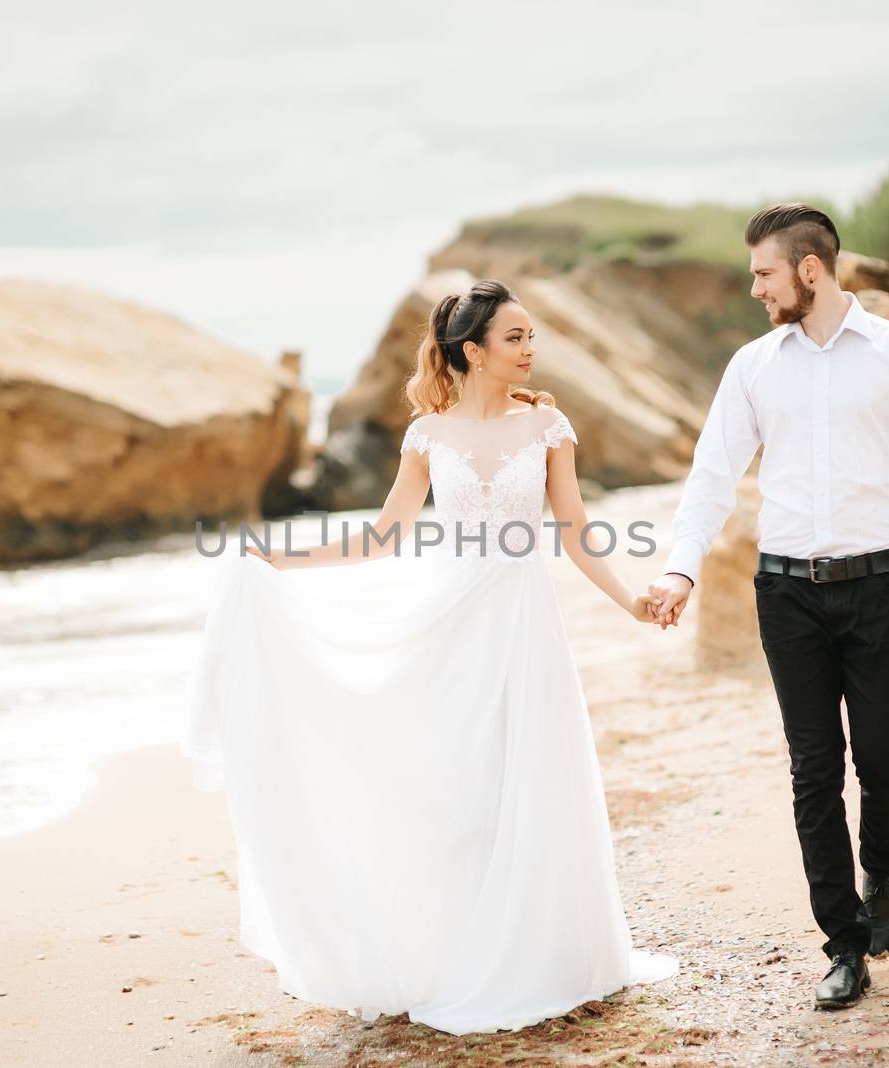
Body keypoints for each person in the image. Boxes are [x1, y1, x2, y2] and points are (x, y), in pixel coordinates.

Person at [181, 278, 679, 1035]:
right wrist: (281, 561)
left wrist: (631, 600)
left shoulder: (547, 427)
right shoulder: (428, 435)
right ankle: (457, 953)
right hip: (449, 622)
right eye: (514, 338)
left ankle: (545, 954)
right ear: (472, 352)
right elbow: (384, 535)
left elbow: (574, 529)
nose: (530, 348)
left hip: (523, 623)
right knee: (453, 788)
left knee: (530, 777)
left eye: (531, 335)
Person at [647, 204, 889, 1010]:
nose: (755, 288)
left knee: (884, 765)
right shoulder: (753, 366)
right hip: (784, 591)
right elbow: (711, 476)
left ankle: (881, 872)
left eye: (764, 273)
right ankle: (843, 944)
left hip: (873, 587)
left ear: (810, 270)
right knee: (813, 771)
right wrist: (681, 572)